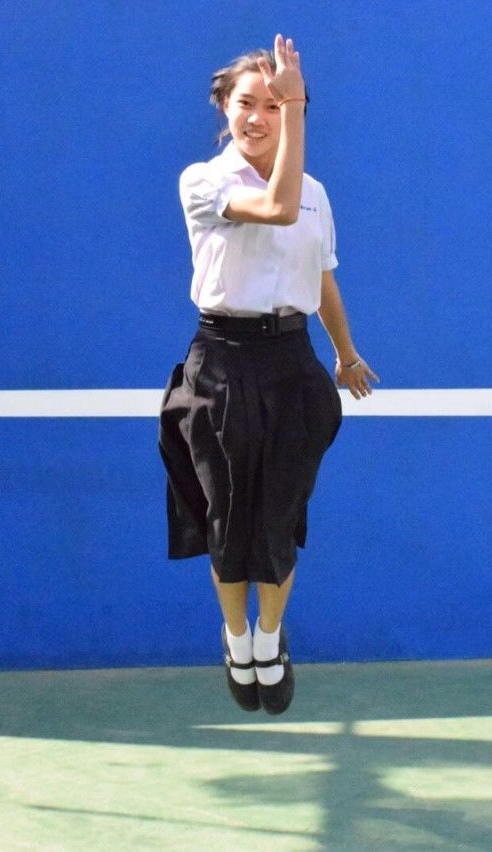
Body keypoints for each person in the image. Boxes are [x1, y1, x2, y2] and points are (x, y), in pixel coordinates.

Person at [159, 34, 378, 715]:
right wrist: (296, 102)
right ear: (223, 109)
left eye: (275, 105)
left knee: (280, 514)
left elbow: (322, 277)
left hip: (291, 364)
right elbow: (275, 207)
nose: (259, 116)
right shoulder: (205, 181)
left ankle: (270, 635)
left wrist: (345, 354)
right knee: (229, 516)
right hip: (221, 364)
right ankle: (235, 637)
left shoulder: (315, 192)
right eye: (247, 103)